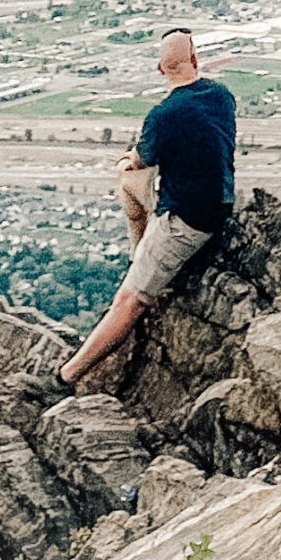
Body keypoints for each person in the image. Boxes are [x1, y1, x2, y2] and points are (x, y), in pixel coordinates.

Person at [54, 29, 237, 386]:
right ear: (196, 60)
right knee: (131, 184)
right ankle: (141, 254)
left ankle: (66, 376)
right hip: (219, 200)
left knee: (129, 301)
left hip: (186, 220)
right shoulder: (221, 96)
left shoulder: (163, 115)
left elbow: (142, 160)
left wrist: (125, 163)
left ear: (160, 69)